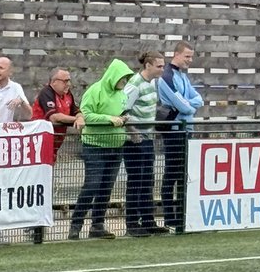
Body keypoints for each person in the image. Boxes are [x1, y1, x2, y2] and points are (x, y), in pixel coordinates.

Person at [68, 58, 134, 240]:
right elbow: (86, 115)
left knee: (106, 187)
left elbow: (121, 113)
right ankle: (75, 225)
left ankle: (97, 225)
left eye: (126, 79)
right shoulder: (95, 91)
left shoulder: (122, 94)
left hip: (116, 147)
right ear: (114, 76)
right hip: (95, 146)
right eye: (122, 78)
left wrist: (123, 119)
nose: (124, 82)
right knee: (92, 185)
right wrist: (109, 119)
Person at [157, 41, 204, 232]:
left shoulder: (182, 75)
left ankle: (181, 216)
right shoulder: (166, 76)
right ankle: (170, 218)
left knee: (183, 175)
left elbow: (198, 99)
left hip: (185, 130)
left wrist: (188, 104)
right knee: (172, 175)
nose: (190, 60)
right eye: (187, 56)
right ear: (176, 54)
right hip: (174, 131)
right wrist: (189, 106)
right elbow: (184, 106)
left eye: (191, 56)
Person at [123, 49, 169, 236]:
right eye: (159, 66)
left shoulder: (153, 83)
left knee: (148, 180)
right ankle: (132, 223)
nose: (162, 69)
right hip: (135, 140)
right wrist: (133, 133)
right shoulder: (134, 84)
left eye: (163, 66)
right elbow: (123, 111)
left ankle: (148, 220)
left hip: (148, 138)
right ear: (148, 65)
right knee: (136, 181)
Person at [31, 68, 82, 152]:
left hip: (56, 142)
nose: (68, 84)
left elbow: (76, 111)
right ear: (54, 82)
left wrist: (80, 118)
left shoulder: (68, 94)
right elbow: (54, 117)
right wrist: (76, 119)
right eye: (65, 81)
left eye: (69, 81)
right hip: (39, 141)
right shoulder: (46, 93)